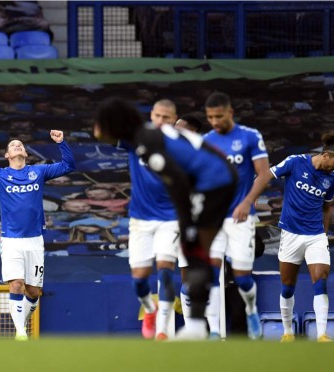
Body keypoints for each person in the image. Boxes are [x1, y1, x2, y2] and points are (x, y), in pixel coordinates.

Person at [94, 97, 237, 339]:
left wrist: (186, 221)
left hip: (217, 185)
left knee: (193, 253)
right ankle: (174, 321)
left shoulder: (152, 144)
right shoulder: (140, 139)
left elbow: (180, 184)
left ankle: (194, 330)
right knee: (156, 271)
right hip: (155, 212)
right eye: (157, 116)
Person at [0, 131, 75, 340]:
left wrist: (62, 143)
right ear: (7, 155)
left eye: (20, 144)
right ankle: (21, 333)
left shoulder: (38, 172)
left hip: (34, 240)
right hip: (11, 239)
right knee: (16, 284)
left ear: (25, 152)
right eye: (13, 145)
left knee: (33, 292)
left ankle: (21, 322)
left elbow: (69, 166)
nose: (17, 146)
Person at [117, 99, 186, 341]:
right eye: (157, 116)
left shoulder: (183, 147)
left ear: (174, 119)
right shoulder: (137, 138)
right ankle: (149, 309)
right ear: (152, 115)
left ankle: (162, 330)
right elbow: (108, 132)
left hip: (170, 218)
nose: (161, 121)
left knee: (166, 270)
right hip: (140, 220)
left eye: (167, 118)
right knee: (139, 279)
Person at [203, 92, 269, 340]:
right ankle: (215, 332)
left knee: (241, 278)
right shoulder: (206, 141)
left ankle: (251, 310)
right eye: (210, 117)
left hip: (241, 218)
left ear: (230, 112)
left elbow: (263, 174)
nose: (214, 122)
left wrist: (247, 201)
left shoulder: (250, 136)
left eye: (218, 116)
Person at [268, 133, 334, 342]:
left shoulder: (331, 179)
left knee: (320, 280)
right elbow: (268, 174)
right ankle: (288, 333)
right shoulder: (296, 162)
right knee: (287, 286)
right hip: (291, 234)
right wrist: (253, 194)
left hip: (316, 236)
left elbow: (327, 207)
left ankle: (322, 334)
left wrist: (325, 234)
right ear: (326, 156)